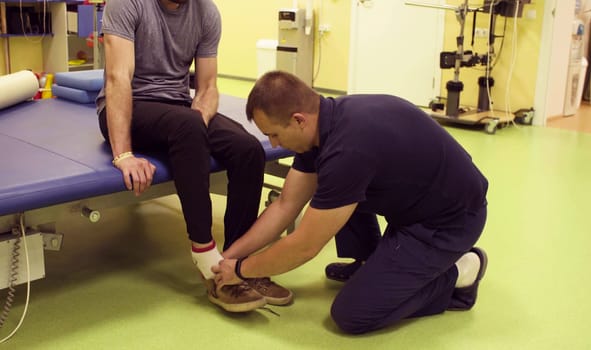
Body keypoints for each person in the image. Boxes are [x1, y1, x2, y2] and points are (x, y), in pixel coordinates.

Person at [213, 71, 489, 333]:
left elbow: (305, 246)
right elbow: (286, 204)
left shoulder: (347, 150)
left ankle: (460, 273)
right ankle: (370, 263)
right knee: (334, 195)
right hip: (420, 203)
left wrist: (241, 270)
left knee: (352, 315)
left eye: (274, 134)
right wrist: (231, 256)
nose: (273, 144)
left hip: (448, 222)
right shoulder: (323, 125)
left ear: (298, 120)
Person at [95, 0, 292, 313]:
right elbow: (118, 78)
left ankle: (237, 264)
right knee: (186, 124)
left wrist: (198, 122)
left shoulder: (207, 12)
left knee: (248, 150)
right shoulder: (127, 4)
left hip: (177, 108)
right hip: (127, 107)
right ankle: (207, 260)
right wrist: (124, 154)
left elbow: (208, 85)